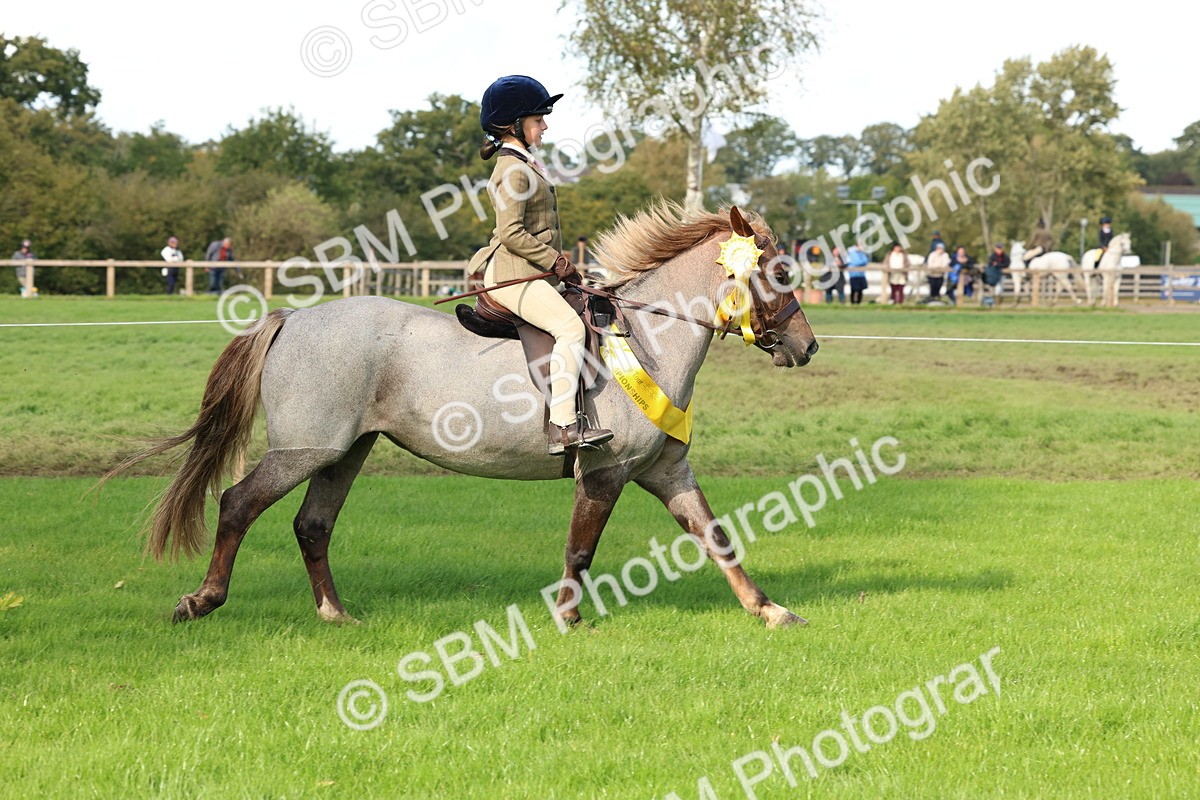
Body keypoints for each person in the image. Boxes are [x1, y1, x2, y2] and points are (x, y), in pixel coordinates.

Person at [465, 75, 612, 456]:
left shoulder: (525, 163)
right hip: (515, 274)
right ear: (512, 125)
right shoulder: (512, 170)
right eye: (537, 120)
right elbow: (511, 232)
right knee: (568, 329)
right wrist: (556, 261)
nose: (544, 126)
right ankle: (563, 427)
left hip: (534, 271)